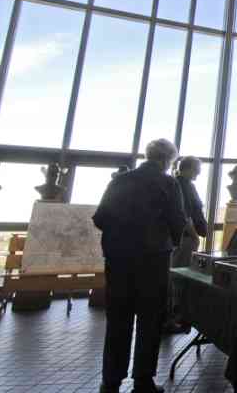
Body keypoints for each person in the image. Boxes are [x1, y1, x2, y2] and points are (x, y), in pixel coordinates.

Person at [93, 139, 186, 393]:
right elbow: (177, 221)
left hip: (119, 258)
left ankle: (110, 380)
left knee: (118, 319)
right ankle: (143, 380)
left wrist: (120, 236)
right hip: (153, 259)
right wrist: (170, 242)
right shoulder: (168, 183)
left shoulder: (119, 181)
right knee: (150, 320)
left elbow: (100, 218)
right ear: (168, 160)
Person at [164, 156, 208, 334]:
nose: (199, 172)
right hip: (185, 237)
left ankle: (175, 313)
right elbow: (184, 214)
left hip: (184, 236)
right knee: (179, 274)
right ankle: (175, 314)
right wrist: (194, 234)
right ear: (190, 168)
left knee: (178, 273)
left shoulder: (183, 184)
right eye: (197, 168)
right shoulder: (181, 185)